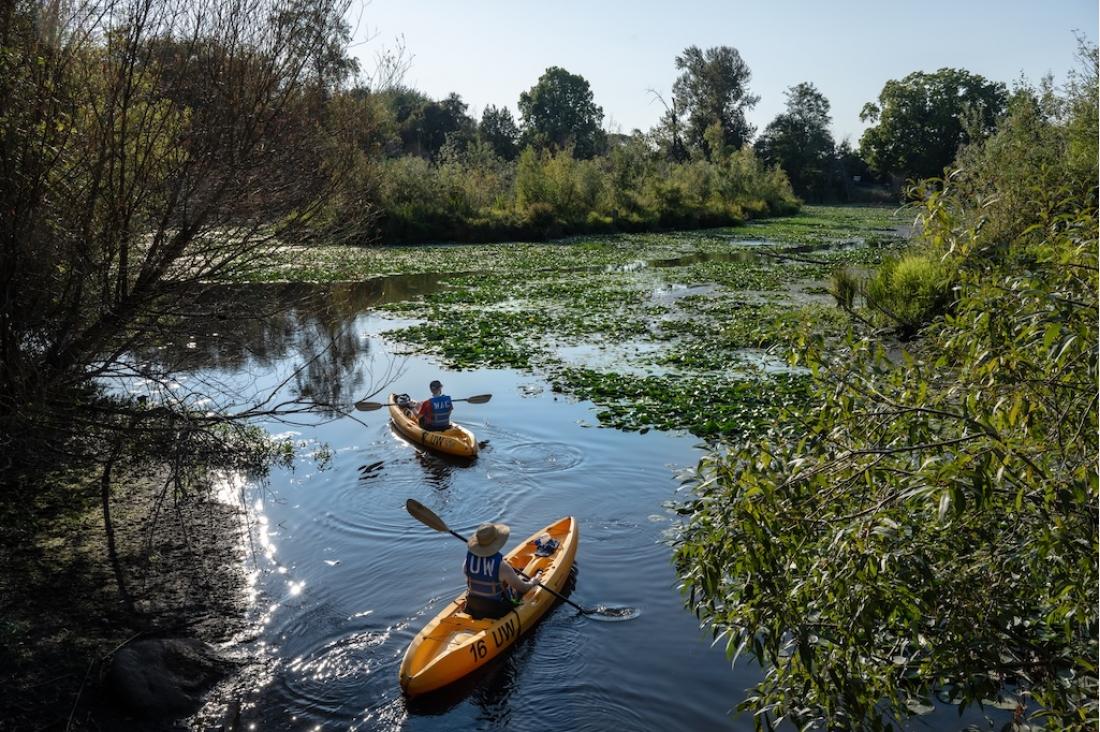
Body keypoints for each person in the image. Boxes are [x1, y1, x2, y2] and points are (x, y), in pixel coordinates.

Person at [463, 521, 543, 619]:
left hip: (473, 606)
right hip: (495, 610)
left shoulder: (467, 562)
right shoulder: (502, 567)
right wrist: (533, 582)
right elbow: (523, 588)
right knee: (522, 582)